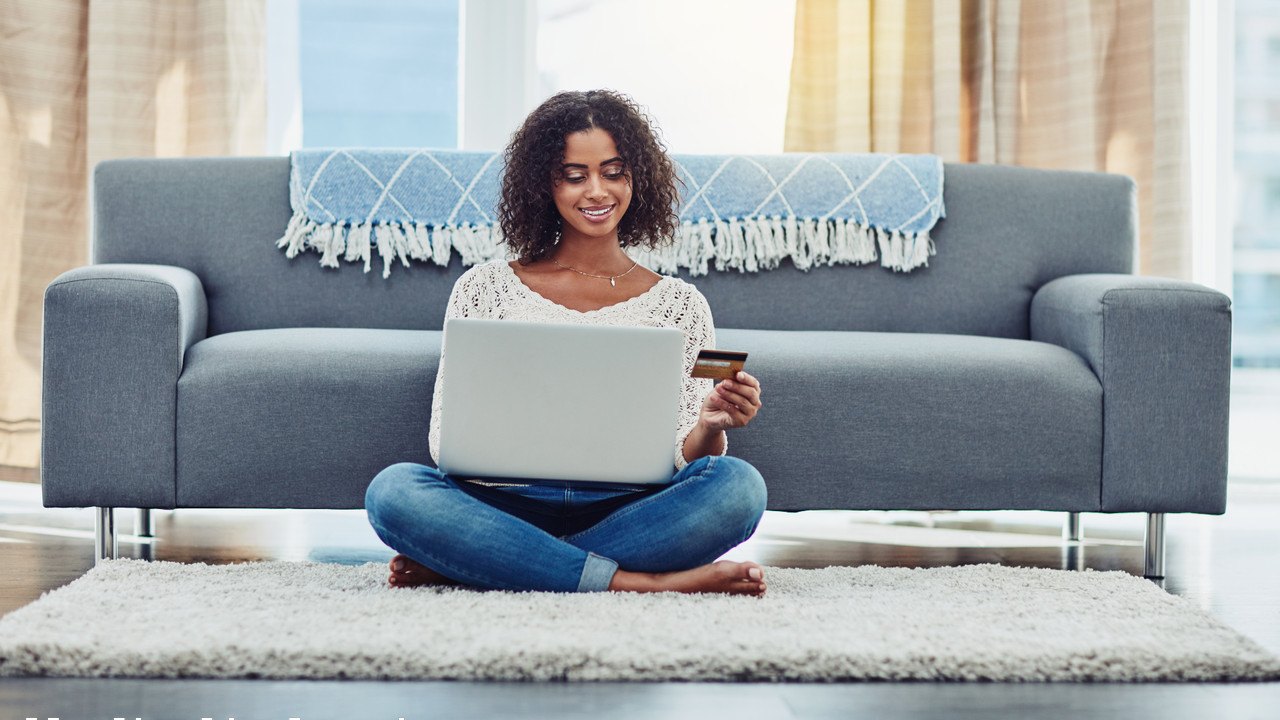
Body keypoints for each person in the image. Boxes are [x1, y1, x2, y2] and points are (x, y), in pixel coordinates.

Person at [364, 90, 767, 596]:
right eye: (575, 176)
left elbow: (687, 457)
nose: (597, 191)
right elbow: (444, 441)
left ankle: (492, 562)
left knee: (739, 487)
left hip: (627, 507)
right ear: (544, 186)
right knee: (394, 491)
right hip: (505, 503)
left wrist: (711, 423)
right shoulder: (483, 288)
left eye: (614, 172)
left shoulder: (683, 305)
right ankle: (634, 582)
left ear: (636, 177)